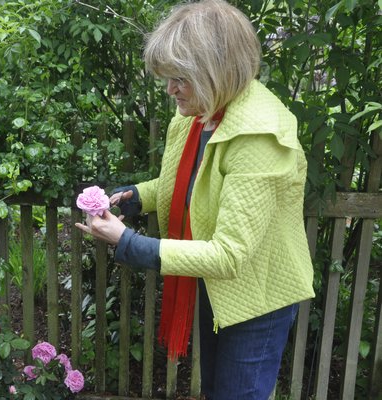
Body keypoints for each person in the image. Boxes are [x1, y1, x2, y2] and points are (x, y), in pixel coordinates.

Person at [74, 0, 315, 399]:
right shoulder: (201, 114)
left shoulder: (259, 138)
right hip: (219, 287)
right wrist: (132, 199)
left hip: (258, 296)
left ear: (215, 70)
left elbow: (230, 255)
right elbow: (189, 186)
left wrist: (128, 242)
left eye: (179, 78)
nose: (169, 90)